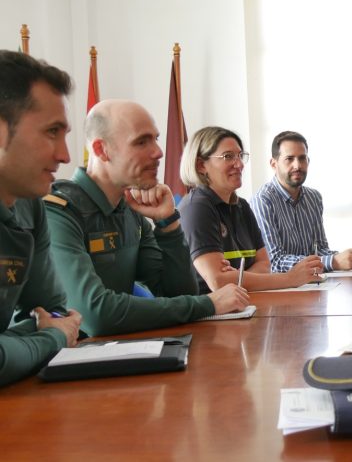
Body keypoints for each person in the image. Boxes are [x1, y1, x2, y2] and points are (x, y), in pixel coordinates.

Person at [44, 100, 249, 337]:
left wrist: (168, 223)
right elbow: (95, 315)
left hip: (112, 350)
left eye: (156, 139)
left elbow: (180, 293)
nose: (158, 152)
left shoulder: (129, 210)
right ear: (101, 150)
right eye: (141, 142)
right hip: (61, 354)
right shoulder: (59, 211)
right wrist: (209, 304)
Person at [0, 50, 82, 386]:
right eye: (52, 132)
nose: (65, 155)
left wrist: (38, 333)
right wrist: (52, 338)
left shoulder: (30, 204)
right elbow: (58, 329)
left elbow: (56, 313)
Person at [178, 126, 322, 293]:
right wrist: (290, 278)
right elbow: (219, 281)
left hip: (245, 302)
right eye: (228, 156)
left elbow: (265, 264)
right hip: (208, 308)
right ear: (201, 165)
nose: (239, 164)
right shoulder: (196, 208)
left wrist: (236, 278)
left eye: (240, 156)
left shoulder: (242, 206)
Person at [250, 130, 352, 273]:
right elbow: (274, 262)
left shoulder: (313, 197)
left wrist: (350, 259)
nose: (297, 165)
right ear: (273, 164)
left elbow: (320, 249)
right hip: (282, 285)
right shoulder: (262, 201)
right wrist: (334, 262)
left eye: (302, 158)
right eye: (289, 159)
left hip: (312, 281)